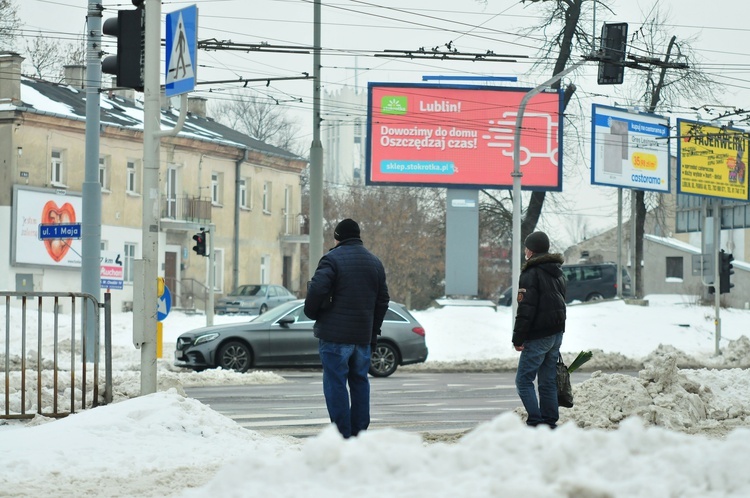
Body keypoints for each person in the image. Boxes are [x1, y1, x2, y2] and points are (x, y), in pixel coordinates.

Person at [304, 218, 389, 438]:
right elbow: (383, 300)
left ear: (338, 237)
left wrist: (313, 313)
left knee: (336, 384)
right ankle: (360, 432)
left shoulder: (331, 259)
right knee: (360, 382)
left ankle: (342, 434)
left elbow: (317, 289)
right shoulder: (375, 262)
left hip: (334, 337)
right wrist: (372, 330)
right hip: (362, 338)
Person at [512, 231, 567, 428]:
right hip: (556, 333)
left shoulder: (530, 273)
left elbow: (526, 309)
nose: (525, 251)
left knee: (523, 381)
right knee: (547, 380)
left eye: (526, 247)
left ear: (531, 250)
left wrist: (518, 338)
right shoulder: (557, 272)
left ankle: (535, 421)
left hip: (538, 335)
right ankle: (550, 422)